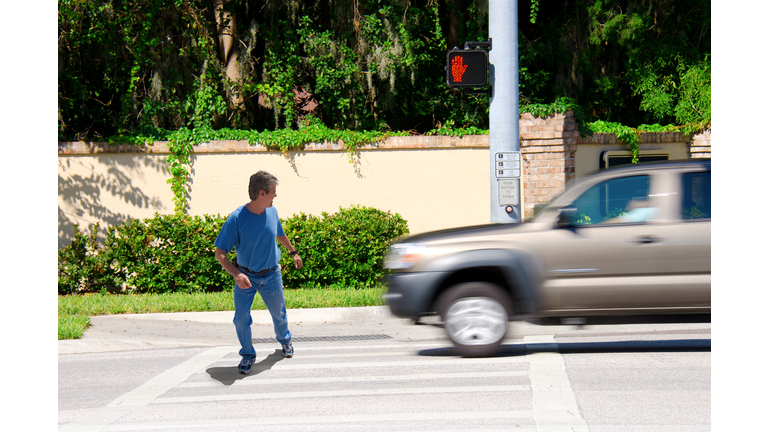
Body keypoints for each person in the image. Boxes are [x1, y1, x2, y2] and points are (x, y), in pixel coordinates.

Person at [214, 171, 303, 375]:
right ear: (262, 193)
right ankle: (247, 354)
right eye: (273, 192)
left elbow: (279, 233)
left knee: (279, 314)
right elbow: (220, 253)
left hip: (272, 274)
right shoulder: (236, 219)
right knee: (241, 318)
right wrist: (236, 274)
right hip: (246, 276)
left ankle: (285, 341)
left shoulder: (272, 212)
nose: (275, 196)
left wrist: (293, 252)